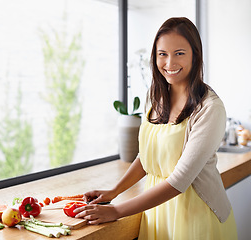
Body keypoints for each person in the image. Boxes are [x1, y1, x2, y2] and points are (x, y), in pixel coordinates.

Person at [74, 17, 238, 239]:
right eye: (163, 54)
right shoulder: (154, 97)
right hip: (156, 210)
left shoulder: (210, 108)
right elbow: (149, 155)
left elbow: (179, 181)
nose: (169, 63)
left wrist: (116, 211)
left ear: (195, 55)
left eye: (179, 53)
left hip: (196, 216)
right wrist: (114, 192)